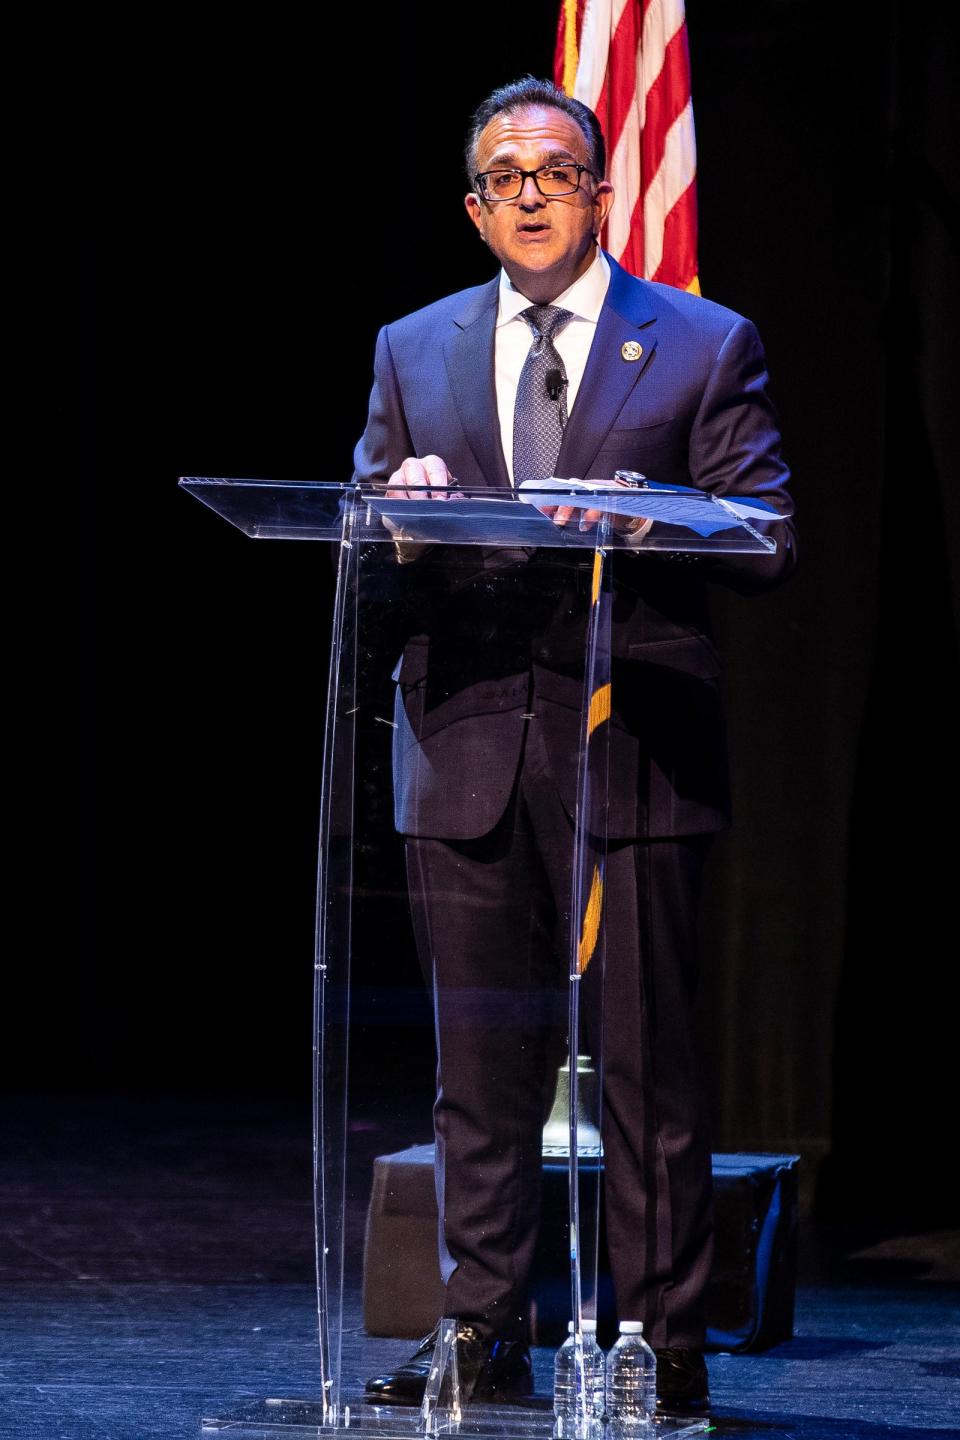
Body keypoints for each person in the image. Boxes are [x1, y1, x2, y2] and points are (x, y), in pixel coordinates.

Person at [354, 76, 796, 1417]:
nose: (531, 191)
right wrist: (397, 513)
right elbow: (363, 543)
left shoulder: (702, 343)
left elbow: (768, 531)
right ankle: (480, 1331)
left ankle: (665, 1343)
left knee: (648, 1076)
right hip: (468, 751)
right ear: (476, 209)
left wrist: (659, 517)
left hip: (633, 751)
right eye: (505, 175)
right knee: (478, 1078)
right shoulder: (411, 348)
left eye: (558, 169)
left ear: (605, 193)